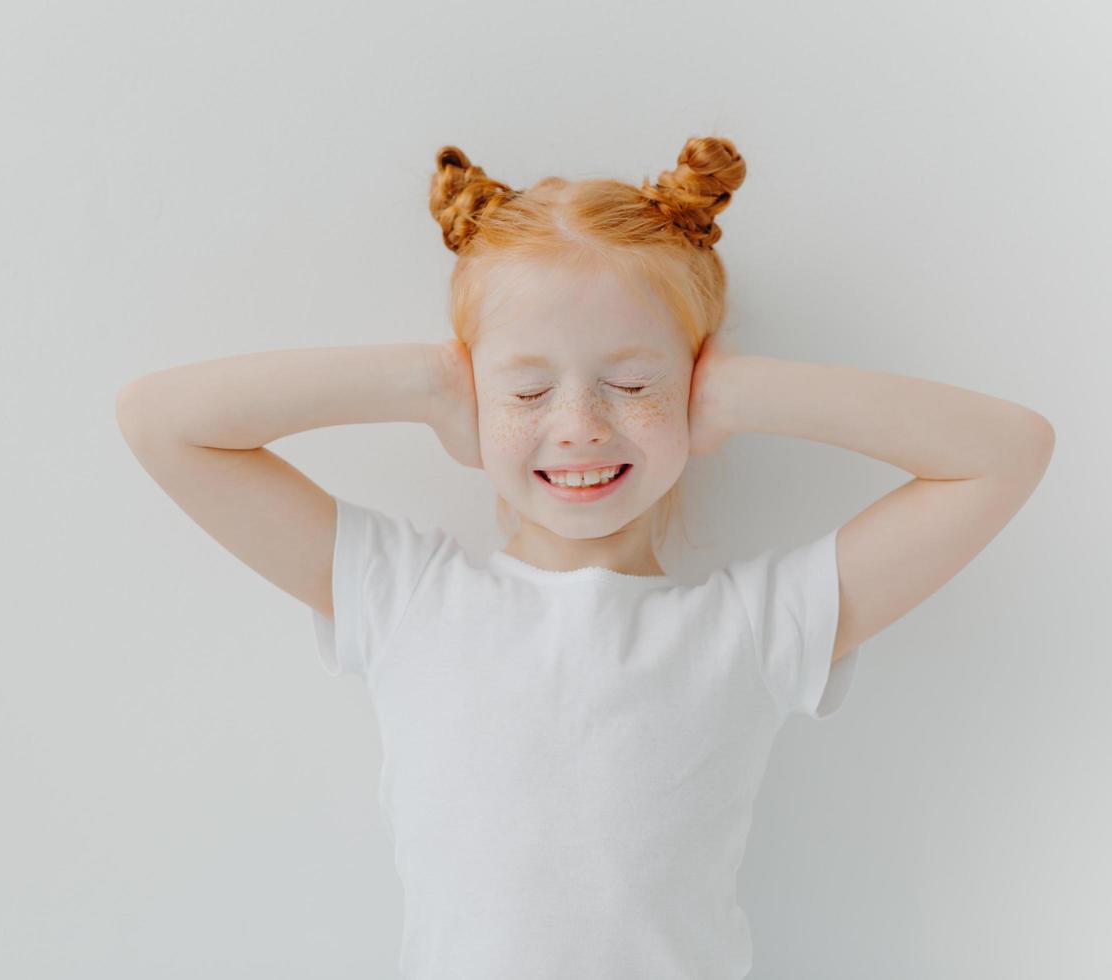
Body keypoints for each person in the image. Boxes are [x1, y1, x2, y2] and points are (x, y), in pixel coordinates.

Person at [114, 137, 1055, 979]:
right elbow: (163, 424)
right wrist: (433, 382)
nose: (578, 427)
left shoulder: (760, 624)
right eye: (526, 390)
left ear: (690, 382)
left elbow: (1004, 453)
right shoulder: (403, 595)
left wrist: (734, 394)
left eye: (633, 382)